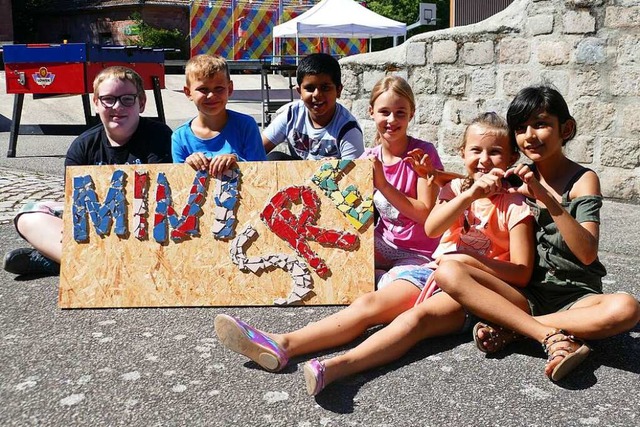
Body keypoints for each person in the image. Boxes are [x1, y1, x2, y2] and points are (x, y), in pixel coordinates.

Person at [214, 111, 535, 396]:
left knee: (416, 320)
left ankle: (337, 367)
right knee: (369, 304)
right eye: (476, 150)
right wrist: (470, 195)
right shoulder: (455, 191)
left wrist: (467, 261)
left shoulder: (515, 206)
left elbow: (521, 272)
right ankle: (282, 343)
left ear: (509, 159)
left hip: (477, 292)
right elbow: (434, 228)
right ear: (462, 152)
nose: (484, 160)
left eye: (495, 153)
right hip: (435, 274)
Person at [433, 85, 640, 381]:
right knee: (449, 270)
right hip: (526, 293)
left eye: (541, 124)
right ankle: (548, 334)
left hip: (577, 296)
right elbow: (475, 175)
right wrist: (442, 179)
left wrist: (544, 196)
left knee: (627, 308)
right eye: (521, 128)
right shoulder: (514, 175)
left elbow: (586, 252)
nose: (530, 135)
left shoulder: (582, 180)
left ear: (565, 129)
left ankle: (513, 330)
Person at [3, 66, 172, 276]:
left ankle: (65, 261)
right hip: (97, 227)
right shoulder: (82, 146)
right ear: (96, 103)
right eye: (108, 99)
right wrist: (73, 222)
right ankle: (90, 260)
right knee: (28, 215)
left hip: (144, 227)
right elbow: (74, 202)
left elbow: (161, 201)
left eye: (127, 99)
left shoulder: (159, 137)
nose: (117, 106)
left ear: (142, 103)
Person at [357, 76, 442, 286]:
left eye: (400, 113)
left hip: (419, 250)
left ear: (411, 114)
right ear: (371, 112)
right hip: (383, 244)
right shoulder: (369, 157)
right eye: (384, 112)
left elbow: (424, 213)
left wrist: (383, 185)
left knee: (387, 285)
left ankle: (384, 279)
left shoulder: (423, 154)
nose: (392, 120)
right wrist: (333, 171)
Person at [172, 54, 266, 175]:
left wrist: (236, 162)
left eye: (219, 88)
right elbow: (178, 183)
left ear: (230, 89)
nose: (211, 95)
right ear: (188, 92)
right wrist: (187, 167)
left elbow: (262, 173)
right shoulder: (180, 137)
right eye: (203, 89)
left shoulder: (246, 126)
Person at [262, 53, 364, 161]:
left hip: (331, 176)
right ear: (299, 91)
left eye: (325, 88)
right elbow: (255, 150)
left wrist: (336, 166)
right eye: (310, 88)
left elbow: (355, 174)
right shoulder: (292, 114)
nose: (317, 94)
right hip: (298, 176)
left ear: (338, 91)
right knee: (274, 158)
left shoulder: (348, 129)